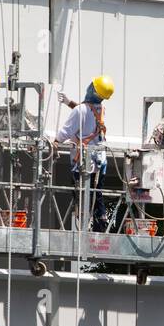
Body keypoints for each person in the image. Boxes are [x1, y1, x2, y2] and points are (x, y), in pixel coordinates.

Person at [56, 74, 114, 233]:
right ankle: (99, 227)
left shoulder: (80, 110)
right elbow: (84, 112)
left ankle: (82, 228)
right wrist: (69, 102)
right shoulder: (101, 109)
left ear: (93, 90)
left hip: (82, 164)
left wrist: (55, 143)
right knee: (97, 196)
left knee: (80, 196)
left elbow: (66, 132)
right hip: (100, 163)